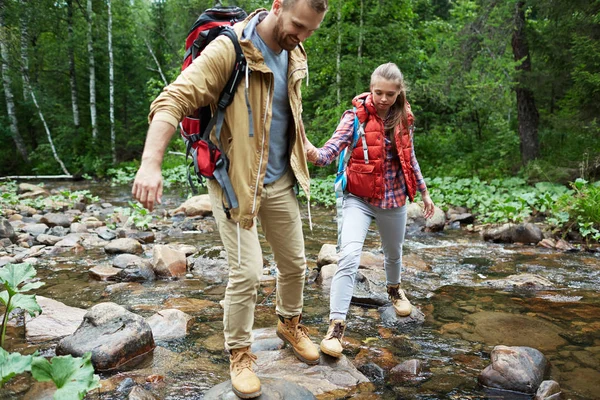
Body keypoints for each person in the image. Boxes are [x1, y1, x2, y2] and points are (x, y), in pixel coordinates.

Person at [131, 0, 328, 397]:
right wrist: (150, 164)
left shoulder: (295, 49)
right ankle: (240, 352)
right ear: (276, 6)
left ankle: (289, 324)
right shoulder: (230, 49)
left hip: (279, 180)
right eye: (298, 26)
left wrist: (302, 142)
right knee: (249, 272)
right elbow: (172, 99)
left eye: (311, 31)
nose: (302, 37)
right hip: (234, 181)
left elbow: (286, 105)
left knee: (294, 265)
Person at [303, 62, 435, 358]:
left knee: (393, 252)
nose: (383, 99)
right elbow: (328, 153)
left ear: (399, 91)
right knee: (348, 256)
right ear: (370, 88)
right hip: (358, 198)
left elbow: (410, 157)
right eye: (378, 92)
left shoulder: (405, 118)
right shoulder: (354, 118)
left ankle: (394, 289)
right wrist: (311, 151)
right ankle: (336, 326)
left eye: (390, 93)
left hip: (394, 198)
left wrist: (424, 193)